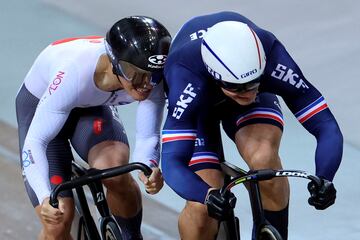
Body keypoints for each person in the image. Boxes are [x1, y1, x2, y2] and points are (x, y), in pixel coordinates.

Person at [161, 11, 342, 240]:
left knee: (264, 158)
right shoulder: (183, 73)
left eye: (253, 83)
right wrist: (206, 195)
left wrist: (325, 176)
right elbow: (171, 161)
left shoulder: (272, 54)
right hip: (199, 106)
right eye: (237, 87)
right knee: (202, 209)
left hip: (243, 85)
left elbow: (325, 125)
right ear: (216, 77)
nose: (247, 93)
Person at [16, 16, 171, 240]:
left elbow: (148, 135)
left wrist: (150, 168)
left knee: (117, 173)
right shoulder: (73, 72)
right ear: (114, 63)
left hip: (92, 107)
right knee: (58, 219)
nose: (146, 84)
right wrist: (43, 196)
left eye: (153, 74)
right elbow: (36, 142)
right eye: (135, 74)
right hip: (44, 107)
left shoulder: (152, 78)